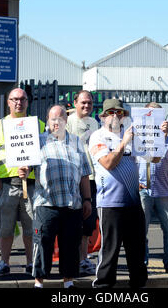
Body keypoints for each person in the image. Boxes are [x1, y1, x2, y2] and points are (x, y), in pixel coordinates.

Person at [21, 104, 92, 288]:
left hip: (73, 204)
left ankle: (68, 283)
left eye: (60, 118)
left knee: (70, 245)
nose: (56, 122)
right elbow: (27, 165)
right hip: (46, 203)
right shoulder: (38, 141)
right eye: (53, 119)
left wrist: (87, 199)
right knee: (43, 244)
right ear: (48, 120)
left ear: (66, 121)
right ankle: (39, 282)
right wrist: (24, 170)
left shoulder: (77, 142)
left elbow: (84, 174)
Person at [0, 88, 45, 276]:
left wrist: (31, 168)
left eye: (23, 99)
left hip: (32, 185)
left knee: (31, 228)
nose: (19, 102)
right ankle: (4, 263)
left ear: (27, 102)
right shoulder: (0, 126)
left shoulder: (39, 125)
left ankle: (30, 263)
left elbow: (46, 153)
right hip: (7, 185)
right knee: (5, 227)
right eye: (15, 99)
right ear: (8, 102)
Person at [89, 98, 148, 288]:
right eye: (111, 112)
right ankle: (103, 288)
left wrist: (159, 137)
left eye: (120, 113)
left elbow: (152, 157)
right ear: (103, 116)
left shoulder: (131, 135)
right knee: (110, 252)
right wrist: (123, 143)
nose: (116, 116)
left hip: (133, 202)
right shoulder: (97, 136)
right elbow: (108, 163)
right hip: (110, 203)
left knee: (137, 251)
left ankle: (139, 286)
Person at [137, 102, 168, 275]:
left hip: (163, 190)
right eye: (151, 114)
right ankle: (142, 264)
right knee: (141, 230)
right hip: (143, 189)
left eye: (158, 114)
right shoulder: (138, 134)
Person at [65, 90, 99, 275]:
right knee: (72, 220)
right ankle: (72, 259)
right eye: (83, 103)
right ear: (75, 103)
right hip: (73, 178)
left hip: (91, 178)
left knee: (88, 220)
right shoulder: (68, 122)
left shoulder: (94, 122)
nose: (86, 106)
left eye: (89, 103)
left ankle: (83, 258)